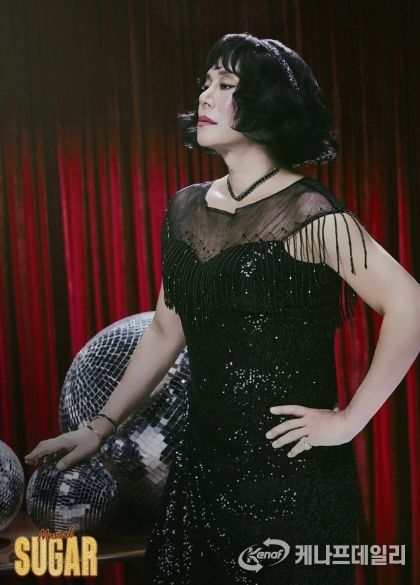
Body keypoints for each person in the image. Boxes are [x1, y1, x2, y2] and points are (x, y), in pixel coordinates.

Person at [24, 33, 420, 585]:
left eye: (227, 85)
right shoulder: (186, 209)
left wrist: (348, 421)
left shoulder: (311, 213)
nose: (205, 97)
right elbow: (166, 329)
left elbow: (410, 305)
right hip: (200, 474)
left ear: (266, 104)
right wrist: (99, 427)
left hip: (292, 482)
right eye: (206, 83)